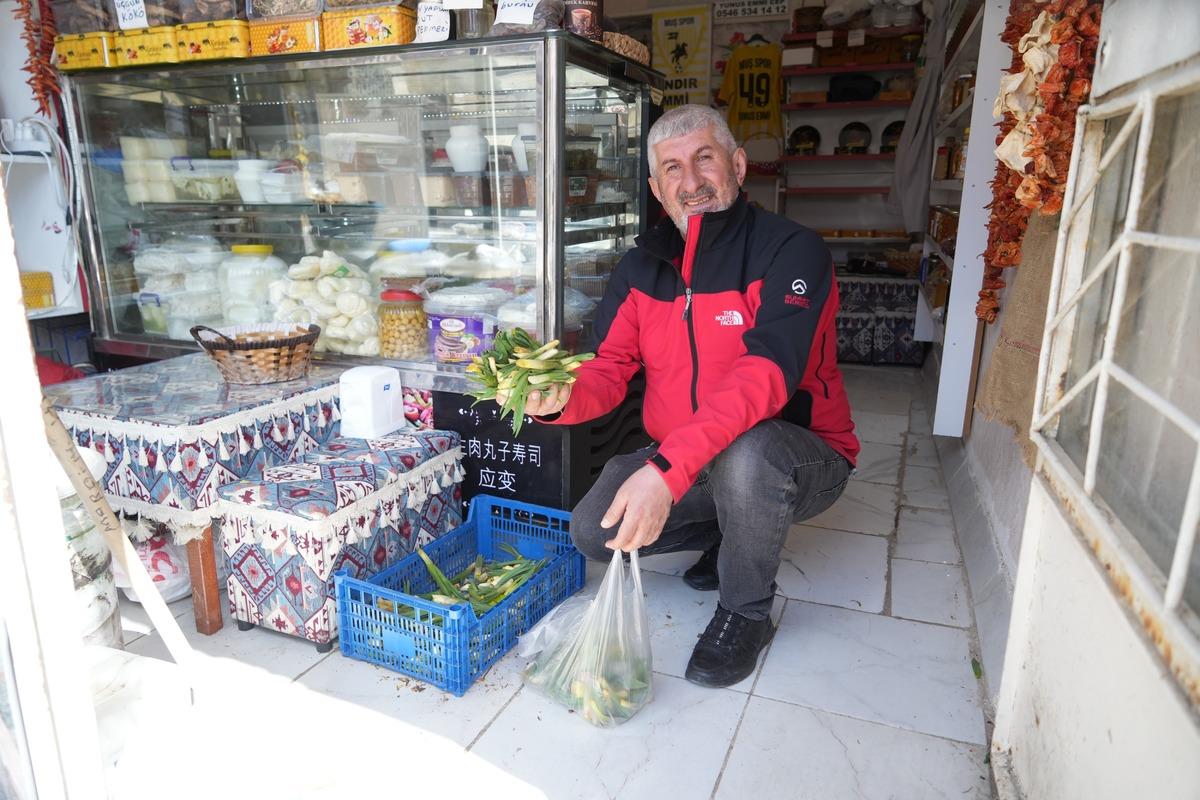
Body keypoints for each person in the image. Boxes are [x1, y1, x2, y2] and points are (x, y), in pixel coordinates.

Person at [509, 104, 859, 688]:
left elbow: (766, 376)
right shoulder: (642, 267)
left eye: (704, 159)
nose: (690, 182)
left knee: (749, 457)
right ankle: (731, 529)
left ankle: (745, 609)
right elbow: (610, 367)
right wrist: (561, 398)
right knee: (593, 529)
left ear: (738, 165)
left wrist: (666, 474)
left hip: (800, 454)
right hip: (691, 457)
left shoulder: (791, 250)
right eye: (672, 168)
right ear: (655, 186)